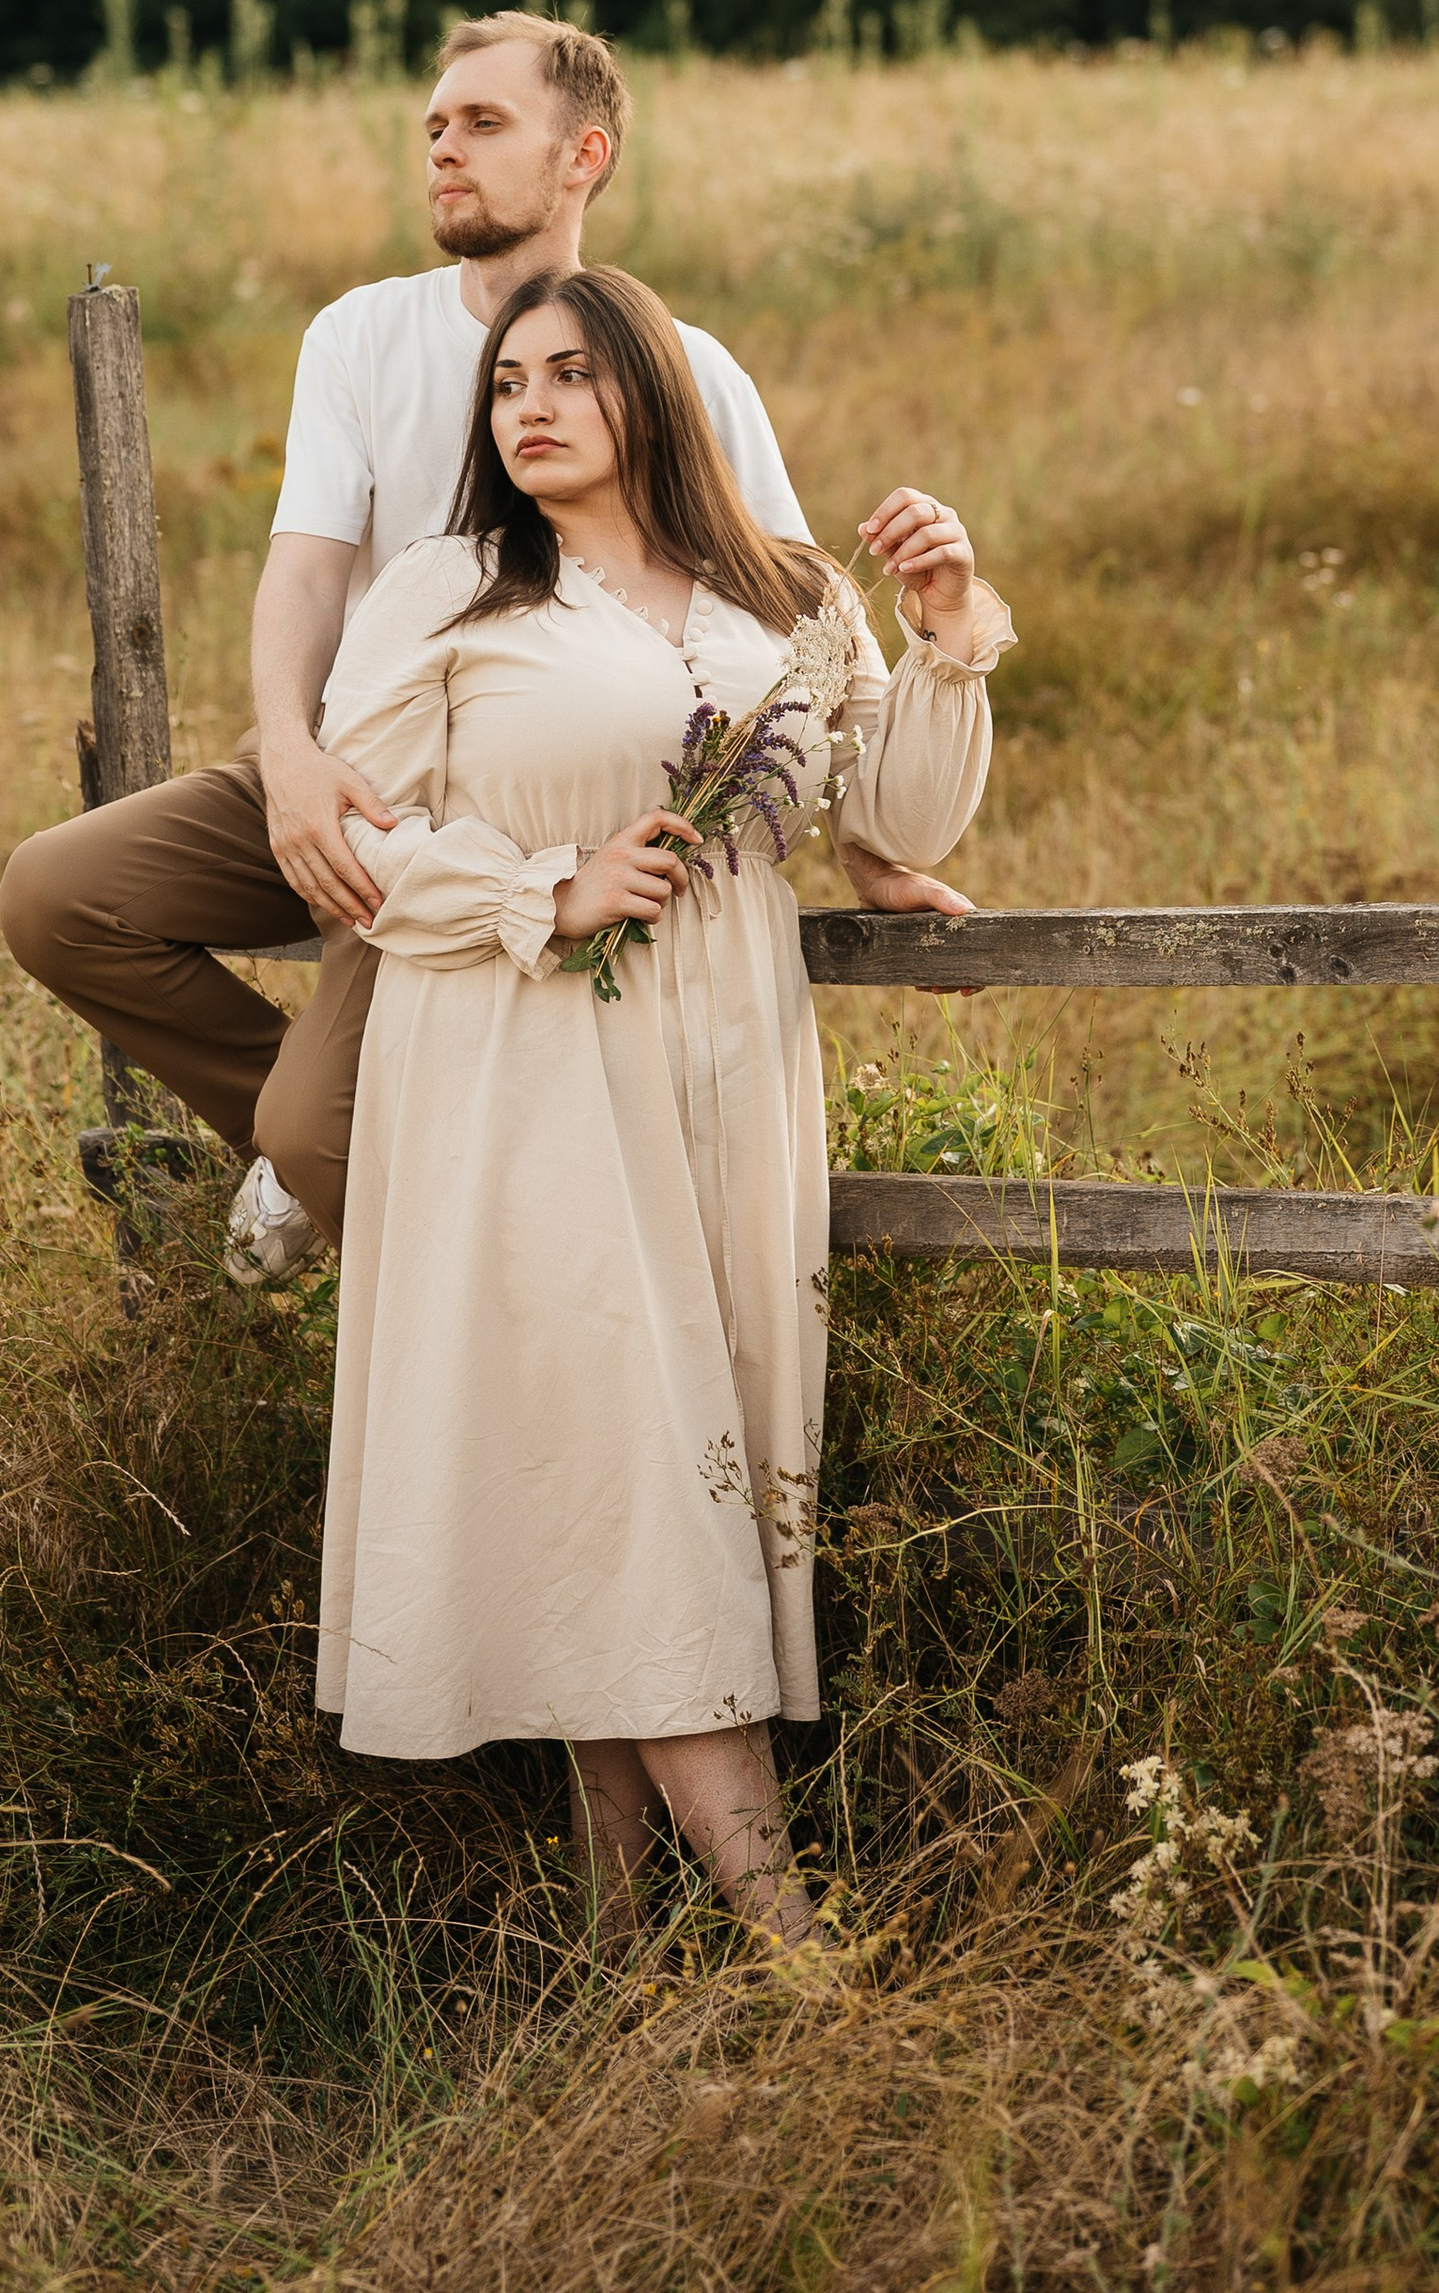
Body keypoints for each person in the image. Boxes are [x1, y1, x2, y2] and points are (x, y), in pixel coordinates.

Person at [0, 15, 972, 1268]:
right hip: (362, 769)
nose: (443, 149)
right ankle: (313, 1137)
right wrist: (289, 757)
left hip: (543, 793)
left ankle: (377, 1180)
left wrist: (870, 850)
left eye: (483, 123)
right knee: (58, 895)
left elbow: (796, 639)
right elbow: (306, 569)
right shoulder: (361, 333)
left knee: (322, 1130)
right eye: (434, 127)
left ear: (583, 155)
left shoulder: (687, 367)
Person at [310, 264, 1012, 1950]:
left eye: (571, 374)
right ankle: (794, 1950)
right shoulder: (450, 590)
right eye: (507, 384)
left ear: (655, 393)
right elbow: (345, 836)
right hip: (526, 1065)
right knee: (641, 1470)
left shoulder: (784, 591)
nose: (530, 408)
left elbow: (900, 820)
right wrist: (540, 890)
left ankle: (614, 1942)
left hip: (734, 1071)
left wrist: (948, 630)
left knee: (641, 1470)